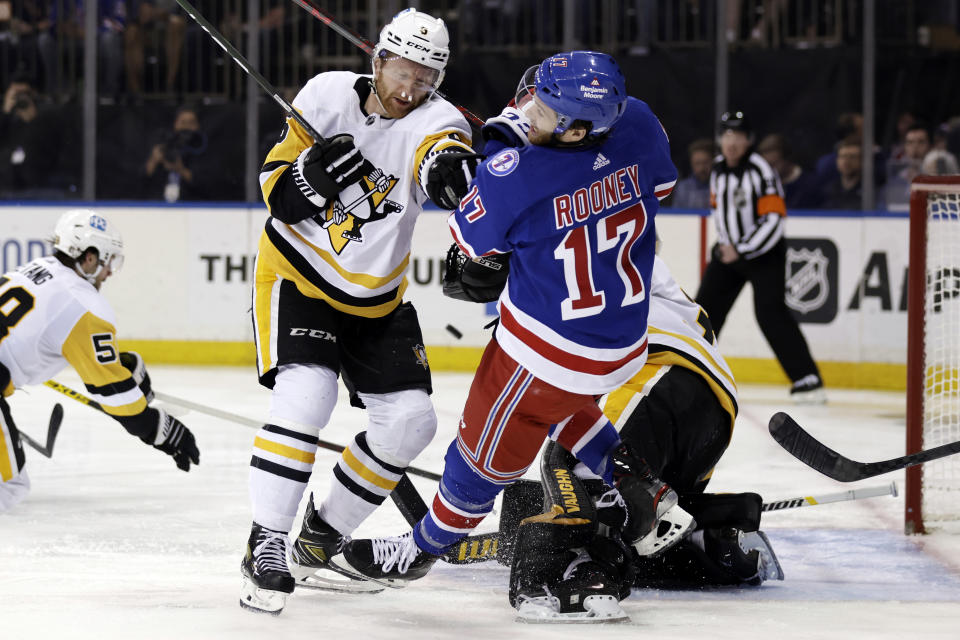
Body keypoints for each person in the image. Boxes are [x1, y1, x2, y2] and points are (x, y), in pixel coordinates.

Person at [333, 50, 686, 605]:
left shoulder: (515, 174)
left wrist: (499, 143)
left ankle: (425, 547)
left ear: (575, 129)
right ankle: (639, 483)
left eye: (545, 110)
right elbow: (658, 188)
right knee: (568, 403)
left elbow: (472, 246)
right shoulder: (638, 122)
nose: (531, 111)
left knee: (477, 457)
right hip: (621, 340)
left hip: (544, 352)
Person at [239, 8, 480, 615]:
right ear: (377, 60)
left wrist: (451, 174)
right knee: (307, 395)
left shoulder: (439, 119)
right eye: (401, 71)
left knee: (410, 423)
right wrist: (310, 180)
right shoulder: (323, 95)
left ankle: (319, 539)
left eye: (425, 78)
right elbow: (278, 197)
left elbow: (439, 154)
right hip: (297, 276)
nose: (409, 89)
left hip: (376, 298)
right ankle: (266, 542)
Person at [502, 255, 782, 622]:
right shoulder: (642, 263)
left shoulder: (573, 248)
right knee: (638, 515)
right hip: (709, 407)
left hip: (659, 376)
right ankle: (705, 539)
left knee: (582, 464)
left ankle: (585, 571)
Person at [0, 209, 200, 512]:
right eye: (109, 261)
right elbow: (119, 401)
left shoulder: (36, 269)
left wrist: (120, 371)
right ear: (90, 257)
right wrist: (159, 428)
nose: (109, 272)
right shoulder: (84, 305)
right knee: (10, 486)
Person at [695, 110, 825, 403]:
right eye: (727, 135)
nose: (732, 142)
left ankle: (808, 379)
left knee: (770, 313)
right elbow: (719, 211)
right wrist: (726, 245)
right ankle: (693, 372)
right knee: (704, 312)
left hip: (764, 254)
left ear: (748, 140)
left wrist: (741, 249)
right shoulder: (717, 169)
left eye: (738, 136)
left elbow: (774, 220)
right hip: (729, 252)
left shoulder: (760, 170)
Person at [0, 73, 71, 198]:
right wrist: (5, 112)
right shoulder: (7, 123)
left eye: (25, 93)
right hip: (6, 186)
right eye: (17, 94)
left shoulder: (49, 120)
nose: (21, 98)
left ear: (34, 95)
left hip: (39, 186)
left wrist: (33, 120)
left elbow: (54, 151)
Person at [143, 105, 223, 202]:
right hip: (158, 205)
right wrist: (153, 161)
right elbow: (141, 181)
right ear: (175, 124)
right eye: (183, 122)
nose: (186, 127)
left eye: (191, 123)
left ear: (197, 126)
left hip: (191, 205)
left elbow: (209, 186)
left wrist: (181, 170)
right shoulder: (164, 143)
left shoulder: (203, 149)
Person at [757, 133, 822, 208]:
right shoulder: (762, 186)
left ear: (787, 158)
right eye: (766, 166)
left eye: (774, 164)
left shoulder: (811, 184)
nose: (770, 170)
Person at [669, 138, 713, 209]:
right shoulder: (683, 188)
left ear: (712, 162)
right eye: (697, 163)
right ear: (691, 164)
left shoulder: (719, 185)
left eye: (705, 162)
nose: (702, 168)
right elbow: (676, 216)